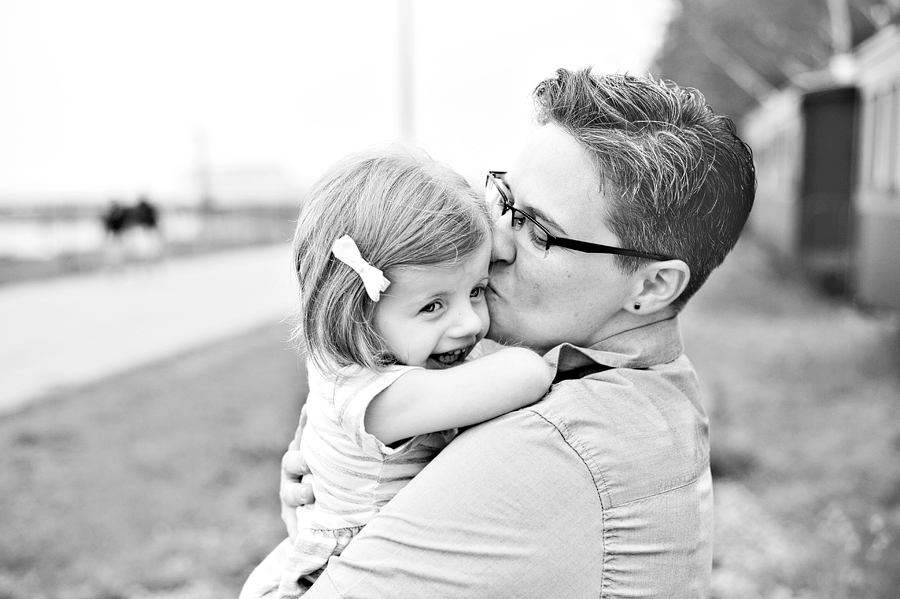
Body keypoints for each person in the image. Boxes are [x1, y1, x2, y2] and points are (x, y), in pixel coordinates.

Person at [277, 68, 756, 598]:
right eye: (504, 200)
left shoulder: (553, 442)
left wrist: (294, 540)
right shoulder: (647, 394)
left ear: (653, 285)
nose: (497, 243)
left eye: (540, 231)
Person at [240, 147, 553, 599]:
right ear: (356, 313)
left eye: (477, 290)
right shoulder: (376, 397)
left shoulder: (376, 361)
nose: (469, 323)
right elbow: (527, 374)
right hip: (345, 576)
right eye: (433, 306)